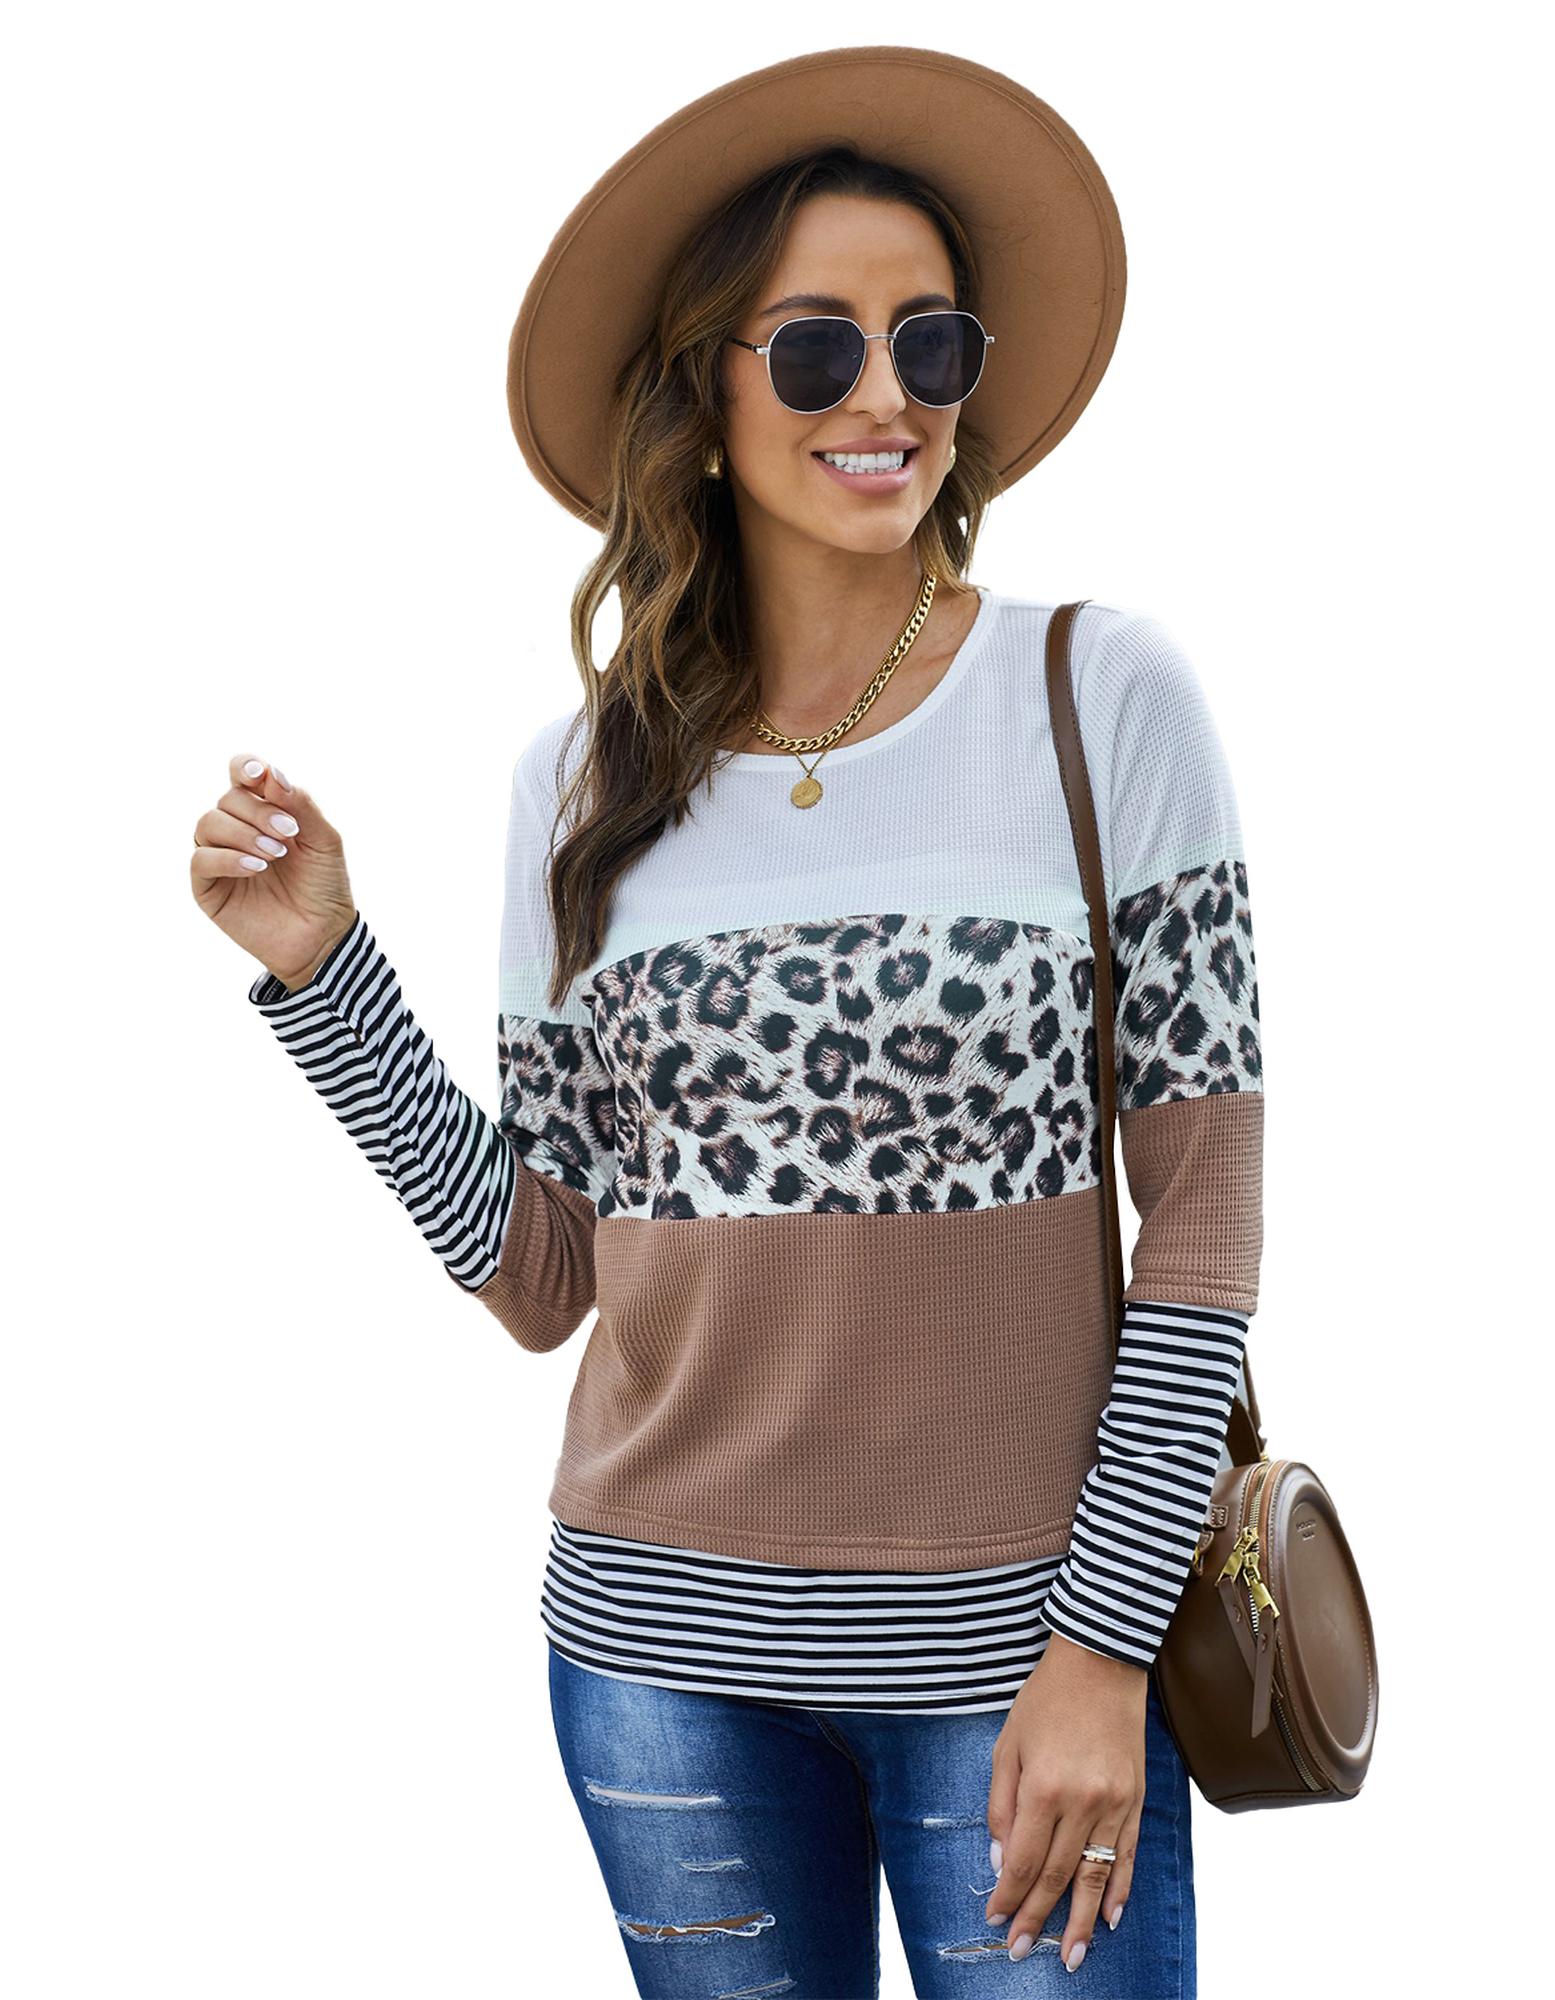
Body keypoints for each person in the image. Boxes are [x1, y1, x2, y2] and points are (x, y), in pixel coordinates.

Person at [190, 47, 1262, 2000]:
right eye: (818, 348)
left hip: (1021, 1658)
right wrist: (323, 972)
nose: (885, 397)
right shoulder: (576, 787)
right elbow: (542, 1272)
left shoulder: (1098, 697)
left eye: (931, 344)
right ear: (701, 394)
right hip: (657, 1670)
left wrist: (1105, 1648)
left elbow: (1199, 1228)